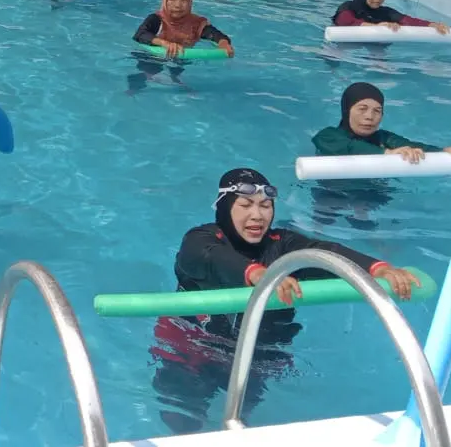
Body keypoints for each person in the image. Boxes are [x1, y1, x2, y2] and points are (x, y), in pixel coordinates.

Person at [152, 167, 421, 434]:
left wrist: (378, 268)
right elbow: (210, 257)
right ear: (224, 209)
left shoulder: (282, 245)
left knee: (242, 422)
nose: (257, 215)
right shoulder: (200, 240)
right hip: (190, 345)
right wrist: (259, 273)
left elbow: (325, 253)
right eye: (245, 205)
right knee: (183, 421)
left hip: (257, 355)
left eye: (266, 206)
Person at [312, 82, 451, 162]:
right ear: (347, 111)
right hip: (332, 189)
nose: (369, 116)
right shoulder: (328, 135)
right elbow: (349, 147)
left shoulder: (383, 138)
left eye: (377, 111)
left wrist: (444, 151)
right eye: (362, 108)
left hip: (371, 191)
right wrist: (386, 154)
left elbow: (411, 146)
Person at [128, 0, 232, 93]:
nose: (178, 5)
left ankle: (175, 80)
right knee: (147, 72)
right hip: (152, 56)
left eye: (184, 0)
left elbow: (216, 35)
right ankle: (132, 90)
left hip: (181, 57)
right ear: (165, 1)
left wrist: (224, 44)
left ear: (190, 2)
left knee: (177, 70)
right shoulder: (157, 19)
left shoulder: (196, 24)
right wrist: (165, 43)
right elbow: (140, 34)